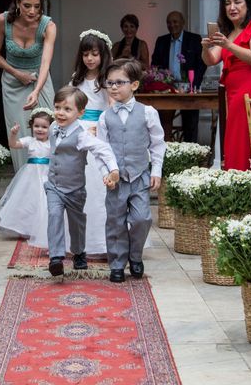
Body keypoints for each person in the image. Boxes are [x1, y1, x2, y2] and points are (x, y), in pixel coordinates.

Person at [98, 58, 166, 283]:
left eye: (120, 82)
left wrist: (156, 170)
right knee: (115, 221)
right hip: (116, 179)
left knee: (142, 219)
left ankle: (135, 256)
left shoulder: (147, 112)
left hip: (139, 176)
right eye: (110, 83)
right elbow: (101, 150)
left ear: (134, 85)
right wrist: (106, 173)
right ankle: (117, 263)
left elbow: (157, 143)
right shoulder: (104, 117)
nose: (114, 87)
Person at [45, 86, 119, 277]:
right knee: (54, 216)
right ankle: (56, 258)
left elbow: (102, 149)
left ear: (80, 113)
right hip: (53, 185)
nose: (61, 113)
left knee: (76, 223)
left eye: (67, 109)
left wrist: (113, 169)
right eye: (58, 107)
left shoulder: (82, 135)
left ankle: (79, 252)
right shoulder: (53, 127)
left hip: (75, 189)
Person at [202, 0, 251, 171]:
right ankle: (237, 186)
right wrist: (205, 47)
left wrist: (228, 45)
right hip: (232, 95)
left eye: (237, 2)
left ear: (247, 5)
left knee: (248, 141)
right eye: (227, 3)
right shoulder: (228, 33)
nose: (232, 7)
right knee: (234, 141)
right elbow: (212, 59)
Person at [0, 0, 56, 171]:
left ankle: (47, 183)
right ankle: (24, 179)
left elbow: (45, 63)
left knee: (46, 129)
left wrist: (36, 91)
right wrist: (17, 73)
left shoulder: (48, 26)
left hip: (40, 82)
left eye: (37, 6)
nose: (32, 11)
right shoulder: (3, 21)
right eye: (27, 6)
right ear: (17, 2)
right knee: (18, 132)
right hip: (12, 83)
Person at [70, 29, 113, 254]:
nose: (90, 58)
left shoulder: (106, 81)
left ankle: (102, 242)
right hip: (79, 132)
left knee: (99, 186)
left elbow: (112, 108)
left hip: (99, 133)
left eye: (94, 54)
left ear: (103, 54)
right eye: (86, 54)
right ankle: (77, 239)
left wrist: (102, 127)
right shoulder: (76, 79)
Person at [0, 108, 54, 247]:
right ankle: (26, 228)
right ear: (31, 126)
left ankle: (43, 228)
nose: (40, 129)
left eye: (44, 127)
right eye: (37, 126)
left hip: (47, 174)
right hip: (30, 175)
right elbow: (13, 145)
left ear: (51, 127)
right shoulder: (30, 141)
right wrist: (13, 134)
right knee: (29, 200)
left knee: (44, 201)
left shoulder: (52, 142)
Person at [151, 10, 206, 142]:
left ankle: (192, 154)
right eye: (169, 22)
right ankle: (166, 153)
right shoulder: (161, 41)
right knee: (164, 125)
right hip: (166, 89)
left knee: (190, 124)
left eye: (175, 22)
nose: (172, 25)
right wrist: (160, 80)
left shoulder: (194, 39)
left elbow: (201, 64)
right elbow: (155, 64)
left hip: (188, 89)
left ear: (182, 23)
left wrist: (194, 84)